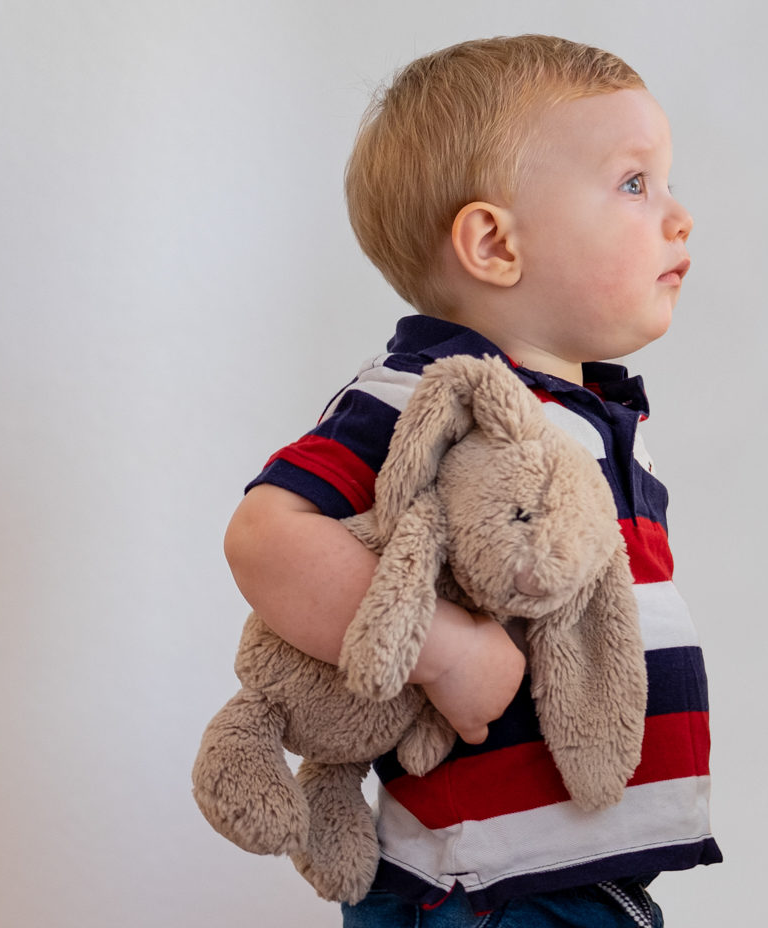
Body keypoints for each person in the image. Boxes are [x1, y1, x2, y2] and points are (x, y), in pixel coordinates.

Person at [224, 35, 720, 927]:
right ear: (493, 242)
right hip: (478, 889)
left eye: (667, 183)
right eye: (633, 184)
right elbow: (264, 537)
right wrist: (444, 650)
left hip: (582, 879)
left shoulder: (598, 416)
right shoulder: (428, 391)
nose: (679, 216)